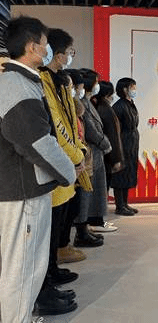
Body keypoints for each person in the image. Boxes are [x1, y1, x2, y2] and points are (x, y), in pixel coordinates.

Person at [0, 16, 77, 323]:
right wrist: (69, 171)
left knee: (22, 266)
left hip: (21, 189)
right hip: (23, 193)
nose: (48, 51)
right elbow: (37, 142)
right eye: (46, 45)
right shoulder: (17, 85)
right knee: (22, 268)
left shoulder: (19, 81)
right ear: (32, 47)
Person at [35, 29, 89, 315]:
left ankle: (52, 272)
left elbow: (69, 122)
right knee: (47, 233)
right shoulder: (39, 81)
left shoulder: (59, 82)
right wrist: (75, 155)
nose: (70, 57)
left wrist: (78, 151)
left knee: (57, 227)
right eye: (69, 52)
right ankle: (43, 288)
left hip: (66, 165)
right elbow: (55, 126)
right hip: (55, 167)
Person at [74, 68, 116, 247]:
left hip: (95, 154)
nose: (97, 85)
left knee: (92, 193)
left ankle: (86, 227)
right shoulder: (81, 103)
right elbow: (90, 130)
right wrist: (105, 143)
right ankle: (82, 230)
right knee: (85, 194)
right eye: (96, 82)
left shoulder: (88, 101)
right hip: (89, 153)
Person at [92, 81, 125, 214]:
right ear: (107, 94)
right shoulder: (105, 110)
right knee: (102, 188)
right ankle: (98, 217)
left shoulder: (99, 107)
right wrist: (116, 159)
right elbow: (112, 136)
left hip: (103, 154)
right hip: (106, 155)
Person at [112, 77, 141, 213]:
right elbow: (115, 129)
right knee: (120, 175)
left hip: (131, 145)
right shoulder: (118, 106)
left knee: (129, 174)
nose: (134, 90)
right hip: (122, 145)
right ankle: (119, 206)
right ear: (124, 89)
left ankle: (125, 203)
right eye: (132, 87)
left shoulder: (130, 104)